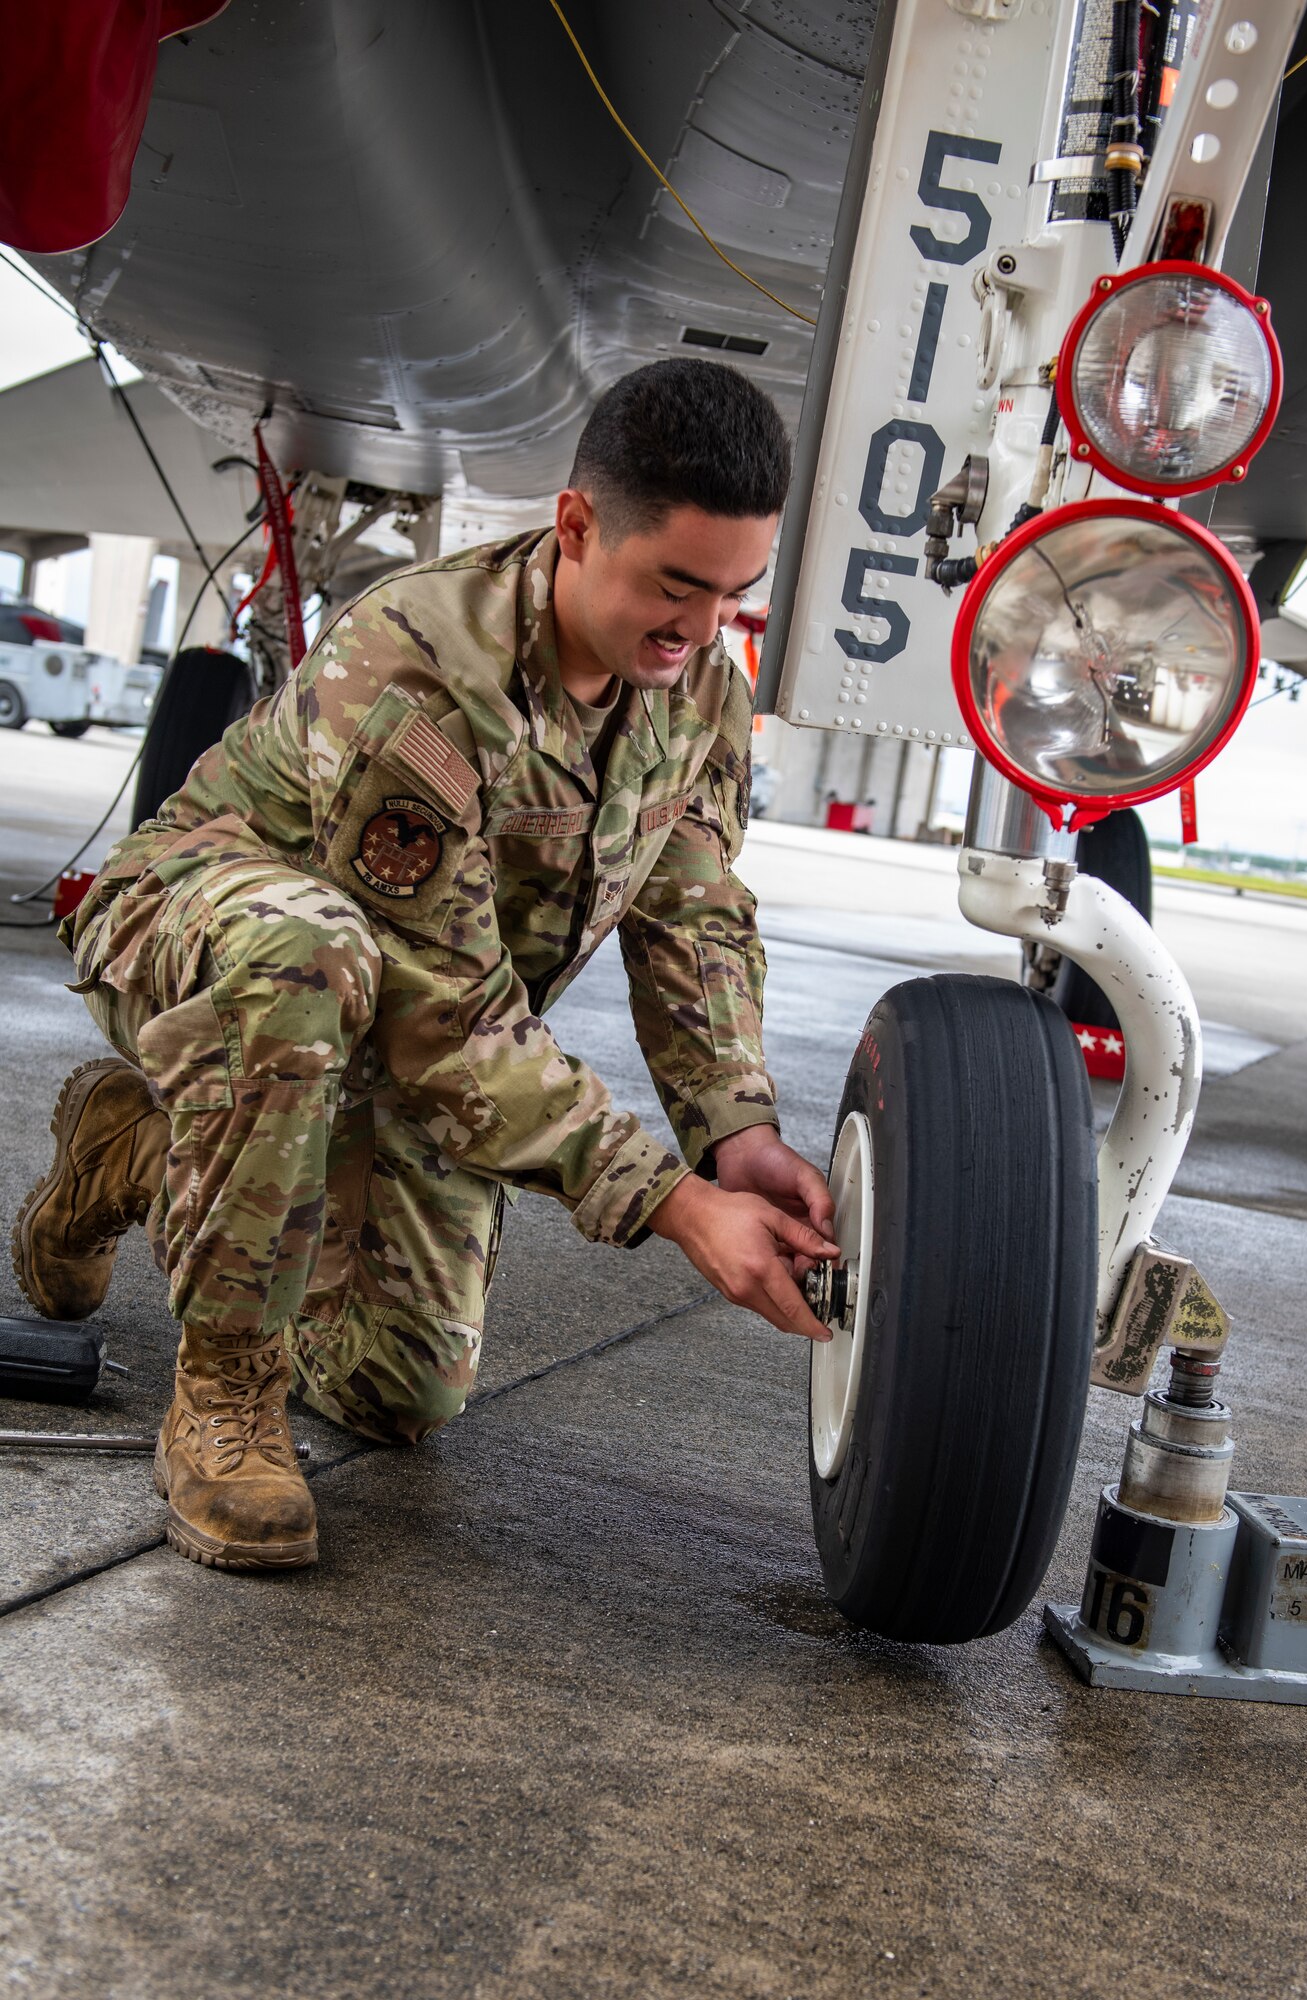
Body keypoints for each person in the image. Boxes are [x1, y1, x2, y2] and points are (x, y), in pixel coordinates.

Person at [12, 358, 838, 1573]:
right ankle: (222, 1398)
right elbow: (440, 1019)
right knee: (309, 955)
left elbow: (692, 910)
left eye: (732, 595)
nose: (701, 630)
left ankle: (138, 1149)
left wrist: (734, 1130)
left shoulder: (698, 686)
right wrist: (669, 1201)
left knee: (403, 1391)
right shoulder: (423, 667)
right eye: (674, 586)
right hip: (211, 935)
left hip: (389, 1011)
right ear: (575, 526)